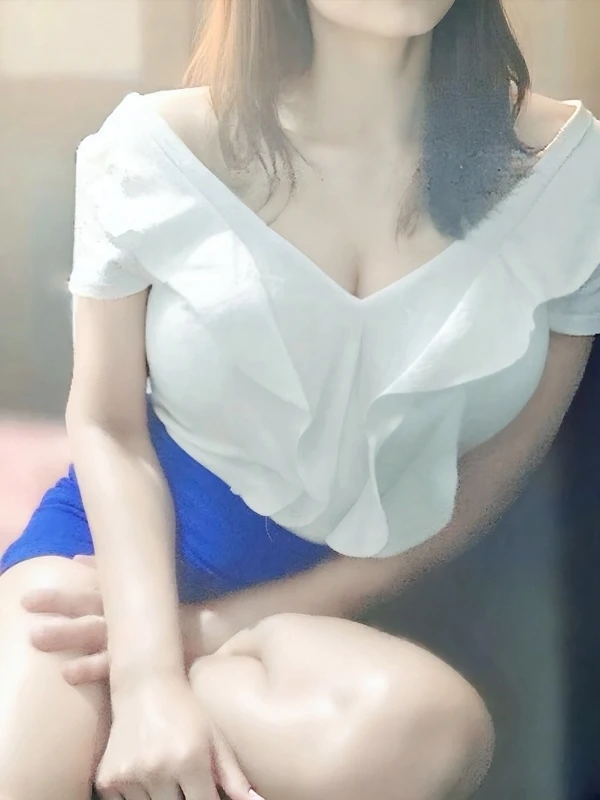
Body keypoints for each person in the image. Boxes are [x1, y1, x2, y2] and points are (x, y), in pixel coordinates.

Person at [1, 0, 599, 798]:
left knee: (429, 733)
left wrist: (203, 635)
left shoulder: (569, 174)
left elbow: (493, 474)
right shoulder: (154, 148)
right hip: (118, 566)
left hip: (344, 609)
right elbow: (108, 425)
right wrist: (144, 674)